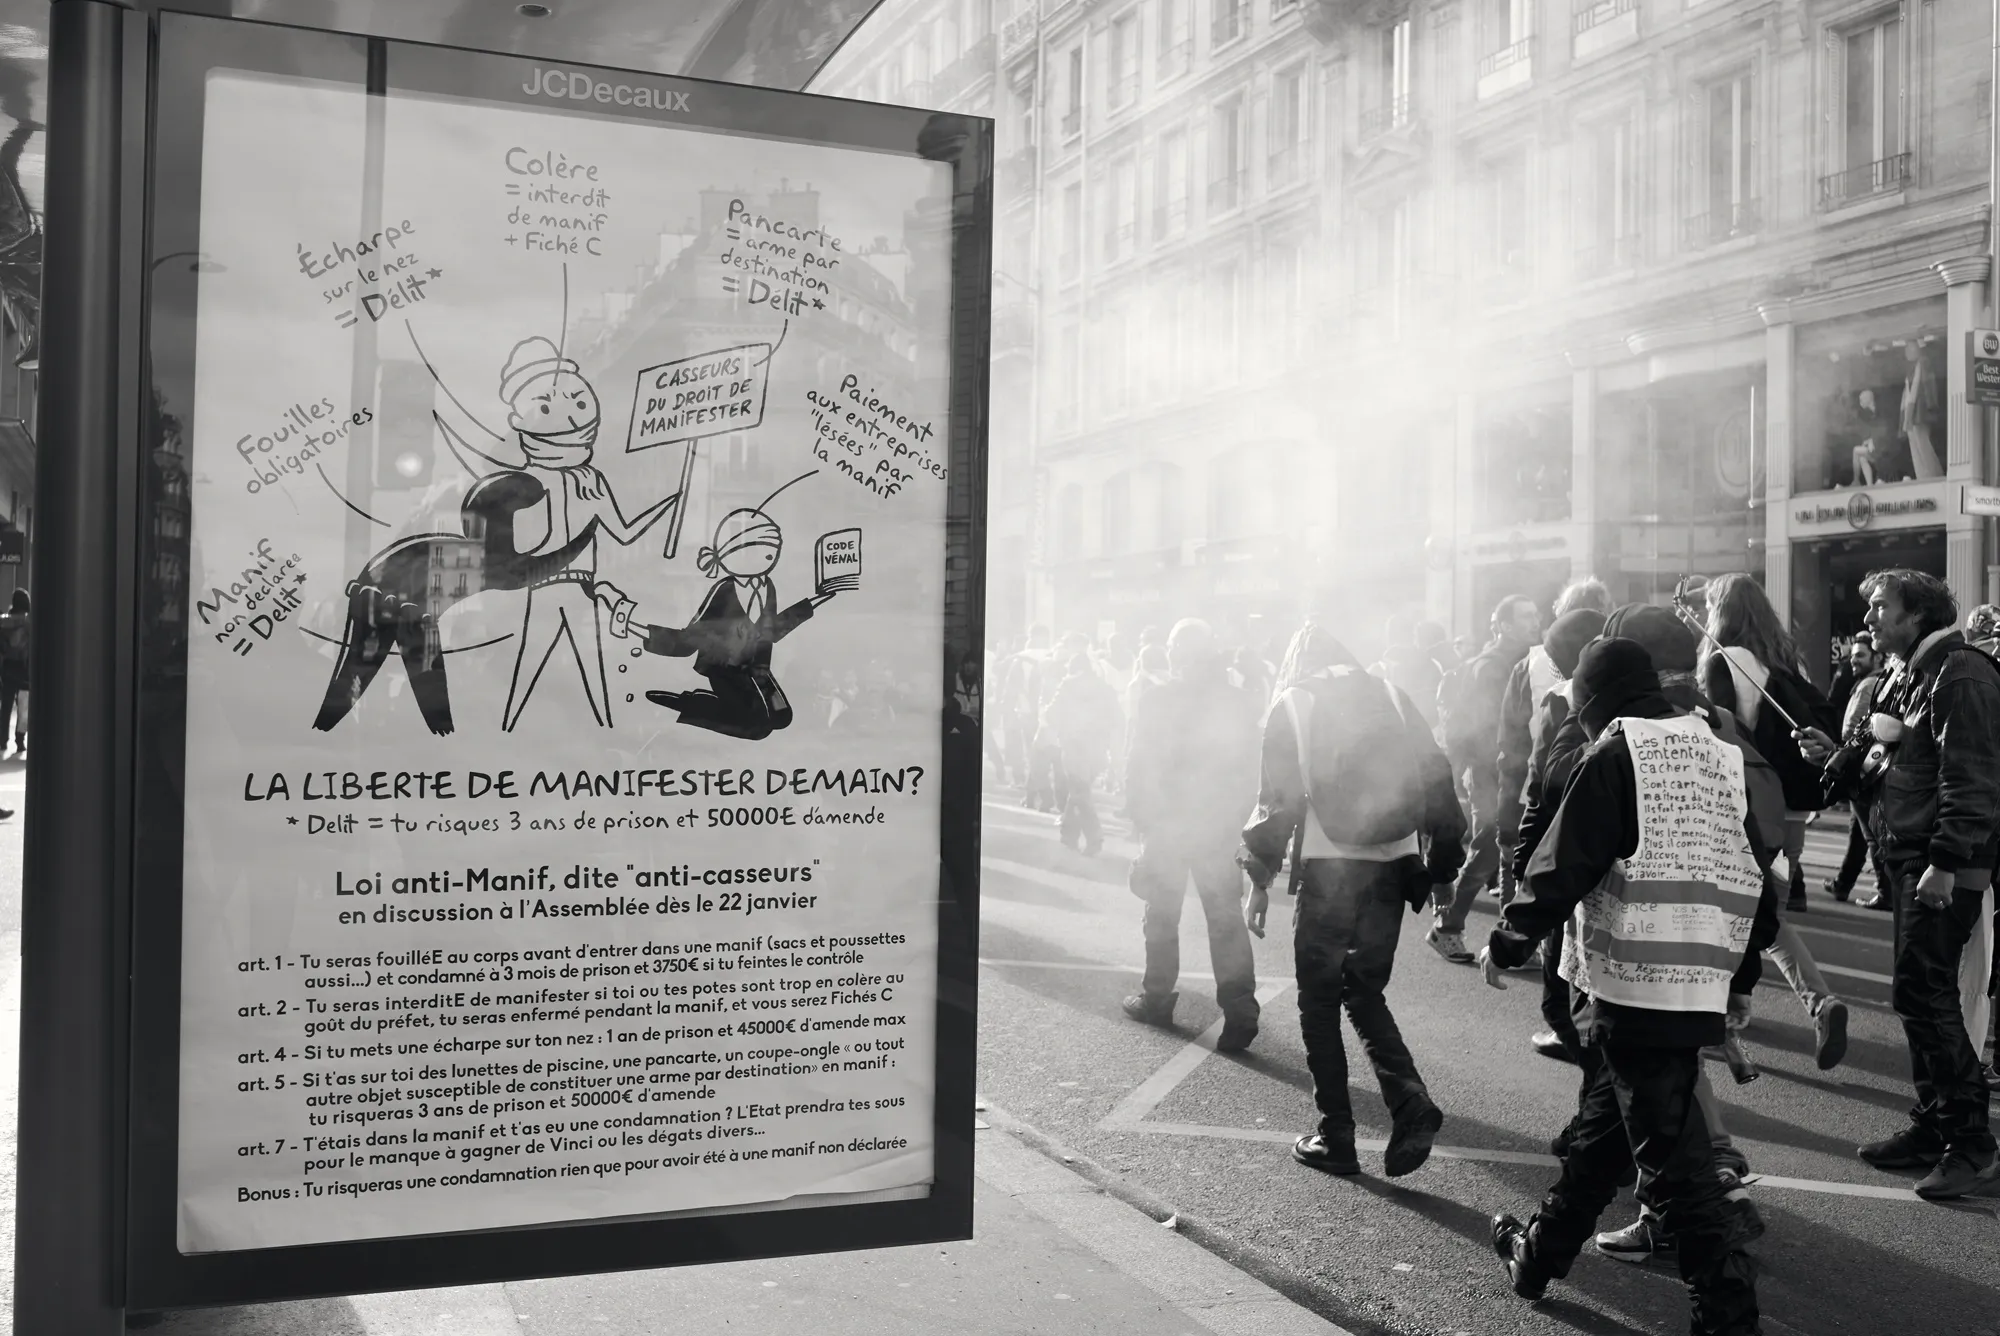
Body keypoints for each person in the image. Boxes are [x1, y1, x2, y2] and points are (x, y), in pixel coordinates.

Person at [1482, 639, 1768, 1335]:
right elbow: (1758, 870)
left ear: (1592, 701)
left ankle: (1728, 1320)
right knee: (1601, 1142)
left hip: (1638, 987)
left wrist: (1512, 936)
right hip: (1697, 977)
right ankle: (1537, 1255)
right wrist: (1743, 976)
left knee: (1681, 1174)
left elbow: (1564, 859)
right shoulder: (1716, 752)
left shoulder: (1615, 753)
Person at [1799, 569, 2000, 1200]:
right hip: (1911, 858)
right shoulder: (1905, 671)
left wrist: (1944, 862)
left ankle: (1972, 1143)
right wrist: (1836, 755)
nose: (1869, 620)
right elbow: (1889, 765)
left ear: (1917, 614)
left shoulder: (1959, 671)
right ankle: (1936, 1127)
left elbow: (1971, 781)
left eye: (1881, 607)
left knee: (1926, 993)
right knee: (1917, 994)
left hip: (1944, 864)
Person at [1243, 623, 1466, 1176]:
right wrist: (1443, 865)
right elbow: (1438, 777)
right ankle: (1409, 1100)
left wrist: (1258, 878)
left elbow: (1278, 803)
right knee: (1364, 991)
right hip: (1393, 868)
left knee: (1318, 1000)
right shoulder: (1390, 693)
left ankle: (1336, 1135)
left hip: (1329, 868)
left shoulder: (1293, 703)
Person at [1700, 572, 1848, 1070]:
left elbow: (1715, 735)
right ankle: (1776, 1004)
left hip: (1745, 809)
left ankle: (1737, 1012)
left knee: (1735, 911)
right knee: (1768, 911)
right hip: (1791, 815)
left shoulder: (1726, 661)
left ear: (1722, 611)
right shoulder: (1788, 661)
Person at [1120, 619, 1263, 1046]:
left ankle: (1157, 998)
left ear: (1176, 655)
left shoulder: (1158, 699)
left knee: (1161, 914)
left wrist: (1142, 818)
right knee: (1225, 921)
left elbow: (1138, 761)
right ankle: (1240, 1012)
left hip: (1168, 824)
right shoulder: (1238, 701)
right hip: (1218, 825)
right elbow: (1251, 768)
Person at [637, 506, 840, 740]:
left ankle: (699, 705)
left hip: (758, 669)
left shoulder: (768, 586)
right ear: (731, 553)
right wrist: (640, 630)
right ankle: (689, 707)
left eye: (772, 552)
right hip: (725, 669)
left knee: (782, 718)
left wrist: (816, 600)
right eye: (762, 551)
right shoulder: (724, 590)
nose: (769, 558)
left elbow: (772, 630)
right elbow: (692, 636)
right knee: (758, 729)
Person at [1509, 606, 1606, 1061]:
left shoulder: (1563, 699)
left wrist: (1524, 860)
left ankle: (1567, 1029)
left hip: (1564, 840)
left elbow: (1540, 784)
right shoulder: (1635, 700)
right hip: (1613, 845)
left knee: (1562, 943)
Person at [1430, 594, 1540, 963]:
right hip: (1492, 770)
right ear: (1504, 625)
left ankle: (1509, 939)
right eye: (1526, 616)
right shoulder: (1493, 666)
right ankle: (1447, 926)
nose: (1534, 621)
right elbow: (1494, 725)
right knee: (1489, 848)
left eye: (1535, 615)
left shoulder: (1526, 659)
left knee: (1509, 851)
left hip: (1509, 770)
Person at [1497, 579, 1611, 910]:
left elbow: (1512, 744)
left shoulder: (1529, 665)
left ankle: (1514, 942)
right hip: (1599, 799)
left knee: (1532, 879)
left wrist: (1508, 818)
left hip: (1540, 793)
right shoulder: (1624, 664)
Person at [1824, 633, 1889, 906]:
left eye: (1860, 655)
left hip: (1861, 769)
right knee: (1859, 832)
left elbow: (1856, 730)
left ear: (1876, 657)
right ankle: (1843, 884)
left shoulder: (1869, 685)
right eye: (1852, 656)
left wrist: (1842, 755)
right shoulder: (1871, 682)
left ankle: (1886, 894)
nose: (1854, 661)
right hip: (1867, 769)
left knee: (1870, 834)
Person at [1040, 651, 1121, 855]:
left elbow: (1051, 714)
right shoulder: (1106, 688)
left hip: (1074, 746)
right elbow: (1118, 719)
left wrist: (1063, 729)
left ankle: (1094, 838)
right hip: (1098, 749)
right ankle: (1068, 834)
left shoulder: (1068, 685)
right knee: (1079, 791)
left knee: (1079, 791)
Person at [0, 587, 27, 760]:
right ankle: (20, 740)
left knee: (6, 706)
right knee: (23, 707)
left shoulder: (4, 622)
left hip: (8, 667)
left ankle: (2, 739)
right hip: (25, 668)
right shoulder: (29, 622)